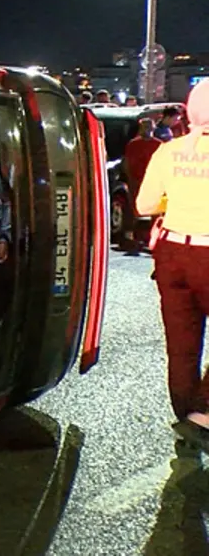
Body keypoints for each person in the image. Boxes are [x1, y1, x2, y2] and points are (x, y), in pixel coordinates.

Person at [136, 80, 209, 450]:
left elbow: (144, 205)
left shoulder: (168, 150)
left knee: (181, 345)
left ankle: (186, 420)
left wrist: (176, 199)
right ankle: (203, 414)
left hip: (173, 254)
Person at [122, 118, 162, 254]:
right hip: (136, 181)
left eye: (149, 127)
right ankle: (130, 238)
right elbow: (127, 163)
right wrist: (130, 180)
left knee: (155, 211)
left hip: (153, 182)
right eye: (145, 127)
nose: (147, 129)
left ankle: (153, 239)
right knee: (133, 210)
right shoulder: (133, 144)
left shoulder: (159, 144)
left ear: (154, 128)